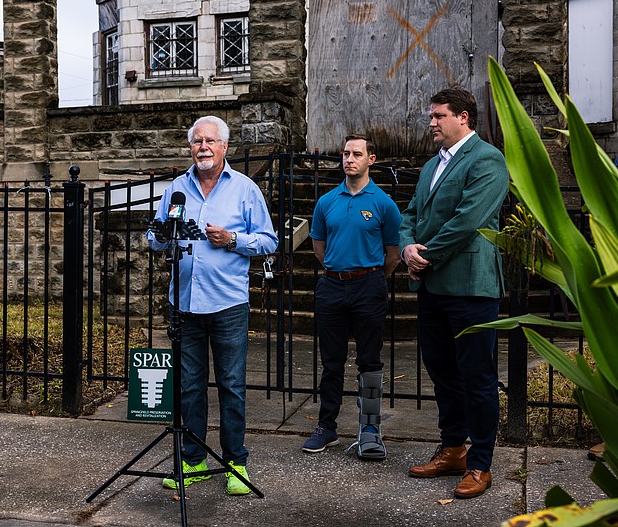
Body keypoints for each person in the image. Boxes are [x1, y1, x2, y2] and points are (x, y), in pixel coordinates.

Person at [146, 115, 278, 495]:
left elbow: (269, 241)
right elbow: (156, 238)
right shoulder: (176, 188)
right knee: (189, 386)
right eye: (197, 141)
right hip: (184, 303)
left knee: (232, 386)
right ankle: (194, 460)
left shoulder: (244, 189)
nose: (202, 147)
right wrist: (158, 235)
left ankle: (236, 463)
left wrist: (232, 239)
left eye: (210, 141)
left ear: (224, 147)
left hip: (227, 303)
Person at [399, 88, 509, 498]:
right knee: (442, 372)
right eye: (431, 115)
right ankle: (453, 449)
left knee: (477, 377)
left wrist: (425, 256)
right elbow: (411, 213)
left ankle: (480, 463)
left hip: (470, 287)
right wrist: (407, 246)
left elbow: (469, 220)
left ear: (463, 117)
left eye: (439, 115)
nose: (431, 122)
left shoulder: (487, 159)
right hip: (432, 285)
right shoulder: (431, 166)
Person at [302, 134, 401, 460]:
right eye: (345, 153)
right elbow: (319, 248)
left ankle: (370, 430)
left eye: (356, 154)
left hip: (369, 286)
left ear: (370, 159)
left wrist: (369, 277)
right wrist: (340, 270)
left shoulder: (383, 204)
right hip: (331, 286)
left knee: (369, 362)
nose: (349, 159)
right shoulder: (326, 202)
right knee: (331, 363)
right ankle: (326, 427)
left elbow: (393, 254)